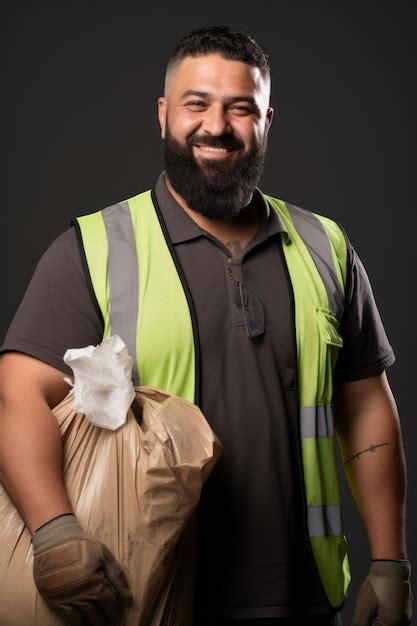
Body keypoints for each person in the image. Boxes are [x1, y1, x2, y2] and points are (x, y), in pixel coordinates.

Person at [0, 25, 412, 626]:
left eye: (239, 108)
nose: (215, 126)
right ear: (165, 114)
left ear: (268, 119)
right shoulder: (93, 248)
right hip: (147, 593)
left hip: (303, 594)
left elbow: (366, 406)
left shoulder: (327, 247)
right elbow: (17, 392)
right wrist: (56, 531)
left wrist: (389, 561)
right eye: (196, 104)